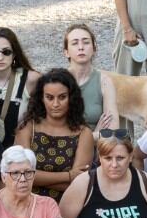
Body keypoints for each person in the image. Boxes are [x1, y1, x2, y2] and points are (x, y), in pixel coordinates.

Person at [14, 69, 94, 197]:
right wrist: (68, 175)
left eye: (62, 97)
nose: (55, 104)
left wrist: (34, 178)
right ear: (42, 98)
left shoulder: (84, 133)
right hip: (29, 204)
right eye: (49, 98)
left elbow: (79, 184)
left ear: (71, 97)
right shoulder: (28, 127)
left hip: (67, 205)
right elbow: (20, 174)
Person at [61, 22, 118, 130]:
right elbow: (52, 128)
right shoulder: (57, 81)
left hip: (97, 146)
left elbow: (113, 130)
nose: (81, 47)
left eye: (86, 42)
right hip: (63, 145)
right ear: (66, 52)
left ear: (94, 49)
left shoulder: (104, 81)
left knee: (120, 145)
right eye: (75, 43)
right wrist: (94, 135)